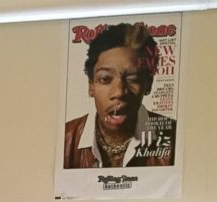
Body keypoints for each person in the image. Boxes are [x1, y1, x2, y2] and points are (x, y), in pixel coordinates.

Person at [64, 23, 176, 169]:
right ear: (91, 86)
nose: (119, 92)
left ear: (147, 84)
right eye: (105, 79)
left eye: (133, 79)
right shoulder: (65, 138)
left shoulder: (175, 138)